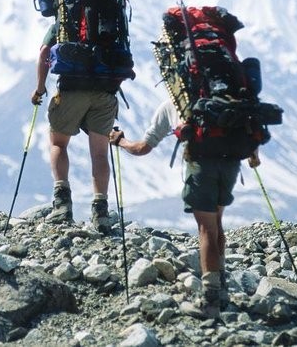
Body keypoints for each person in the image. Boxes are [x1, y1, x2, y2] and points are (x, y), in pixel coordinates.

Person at [109, 99, 260, 318]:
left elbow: (142, 148)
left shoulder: (174, 104)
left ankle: (210, 301)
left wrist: (120, 141)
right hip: (231, 162)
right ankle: (222, 286)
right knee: (216, 224)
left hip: (201, 163)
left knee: (206, 229)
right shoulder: (228, 99)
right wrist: (254, 154)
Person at [32, 24, 118, 234]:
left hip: (72, 88)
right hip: (105, 92)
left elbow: (44, 52)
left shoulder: (65, 16)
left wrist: (40, 87)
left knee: (58, 144)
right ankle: (101, 213)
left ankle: (62, 204)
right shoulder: (112, 15)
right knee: (100, 153)